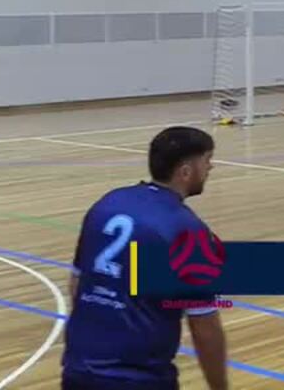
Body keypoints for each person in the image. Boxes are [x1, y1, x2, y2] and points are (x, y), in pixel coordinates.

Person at [63, 127, 229, 390]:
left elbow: (76, 285)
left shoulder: (107, 203)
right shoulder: (187, 229)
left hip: (79, 371)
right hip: (140, 379)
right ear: (185, 171)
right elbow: (204, 326)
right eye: (207, 160)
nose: (211, 167)